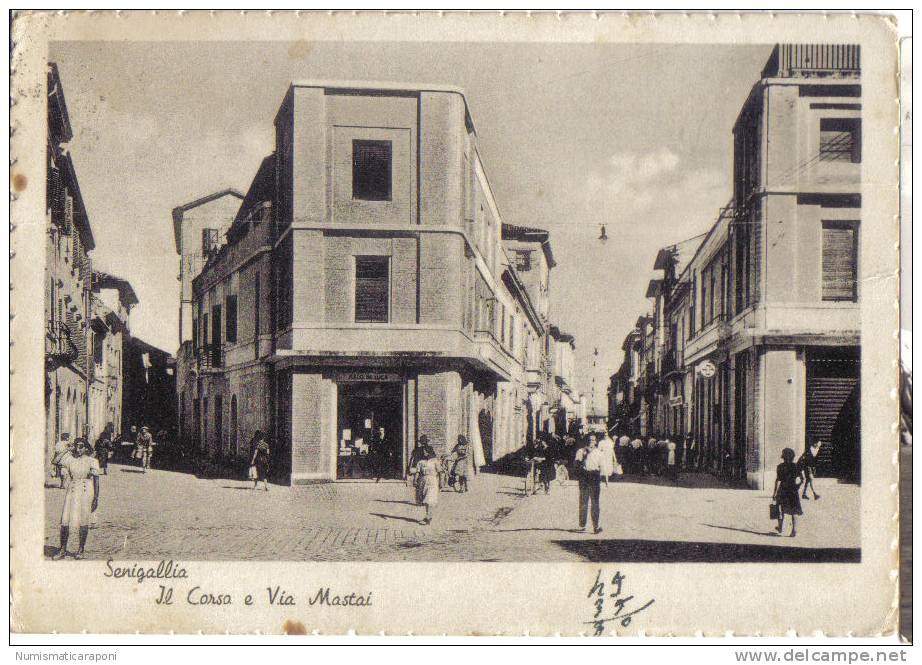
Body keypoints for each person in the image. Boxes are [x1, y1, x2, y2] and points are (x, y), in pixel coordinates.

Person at [52, 437, 100, 560]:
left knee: (83, 520)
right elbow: (55, 461)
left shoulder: (92, 461)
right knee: (65, 520)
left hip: (86, 490)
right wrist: (67, 449)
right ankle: (62, 550)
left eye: (81, 446)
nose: (78, 449)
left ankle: (80, 550)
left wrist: (96, 498)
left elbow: (96, 481)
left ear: (86, 448)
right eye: (77, 446)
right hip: (72, 490)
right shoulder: (70, 460)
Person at [574, 433, 604, 534]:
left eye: (593, 440)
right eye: (589, 440)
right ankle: (582, 525)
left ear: (596, 441)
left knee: (595, 502)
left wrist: (602, 478)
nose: (591, 442)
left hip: (595, 477)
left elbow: (601, 466)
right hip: (584, 477)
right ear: (586, 440)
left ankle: (596, 526)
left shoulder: (599, 452)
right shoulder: (580, 451)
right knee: (583, 501)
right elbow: (576, 465)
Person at [772, 448, 804, 537]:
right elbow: (802, 479)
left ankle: (780, 527)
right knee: (794, 511)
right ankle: (794, 530)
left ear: (784, 457)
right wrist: (797, 487)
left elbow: (778, 480)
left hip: (783, 490)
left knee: (780, 509)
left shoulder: (780, 467)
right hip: (793, 491)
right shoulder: (795, 466)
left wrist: (774, 493)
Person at [412, 446, 441, 525]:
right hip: (423, 481)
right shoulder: (420, 462)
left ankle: (427, 518)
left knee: (429, 499)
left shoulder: (435, 461)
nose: (424, 453)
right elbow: (417, 472)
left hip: (432, 481)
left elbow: (439, 472)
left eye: (426, 451)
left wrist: (440, 483)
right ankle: (429, 515)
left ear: (429, 452)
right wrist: (415, 480)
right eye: (424, 451)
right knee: (425, 499)